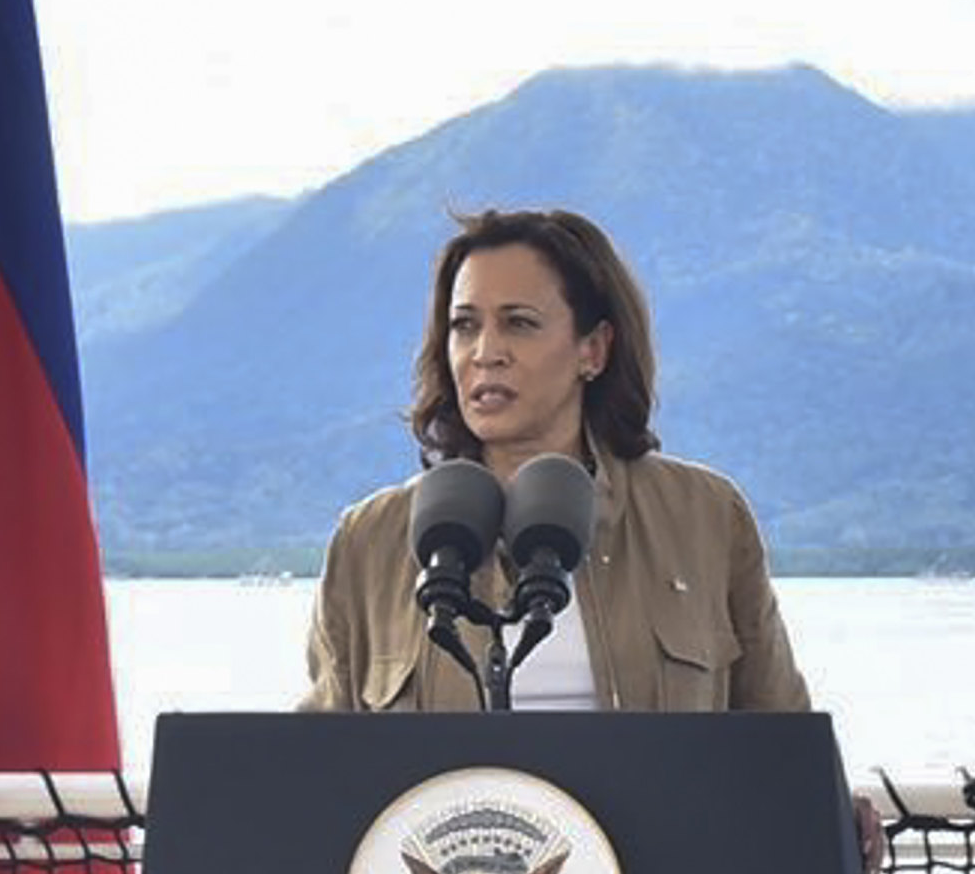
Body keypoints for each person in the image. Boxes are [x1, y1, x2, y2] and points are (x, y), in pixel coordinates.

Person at [301, 207, 815, 716]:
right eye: (464, 325)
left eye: (519, 323)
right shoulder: (369, 540)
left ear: (592, 350)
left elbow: (785, 739)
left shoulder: (705, 516)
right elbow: (316, 765)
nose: (486, 352)